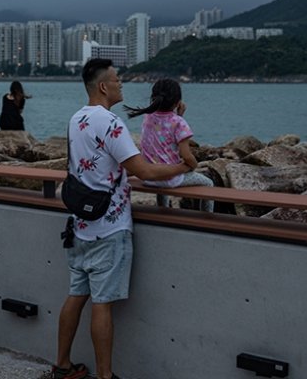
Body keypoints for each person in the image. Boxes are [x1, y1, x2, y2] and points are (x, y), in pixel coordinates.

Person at [53, 59, 192, 379]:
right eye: (117, 80)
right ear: (103, 86)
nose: (121, 85)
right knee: (102, 304)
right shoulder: (111, 123)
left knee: (76, 296)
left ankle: (61, 365)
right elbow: (143, 170)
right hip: (109, 228)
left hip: (80, 225)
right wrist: (184, 168)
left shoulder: (77, 118)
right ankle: (105, 376)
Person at [124, 78, 215, 212]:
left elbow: (163, 125)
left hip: (149, 177)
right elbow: (186, 155)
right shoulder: (179, 123)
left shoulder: (148, 117)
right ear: (178, 102)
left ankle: (163, 210)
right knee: (209, 183)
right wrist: (193, 166)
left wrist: (179, 115)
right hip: (171, 178)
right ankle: (208, 216)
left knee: (161, 169)